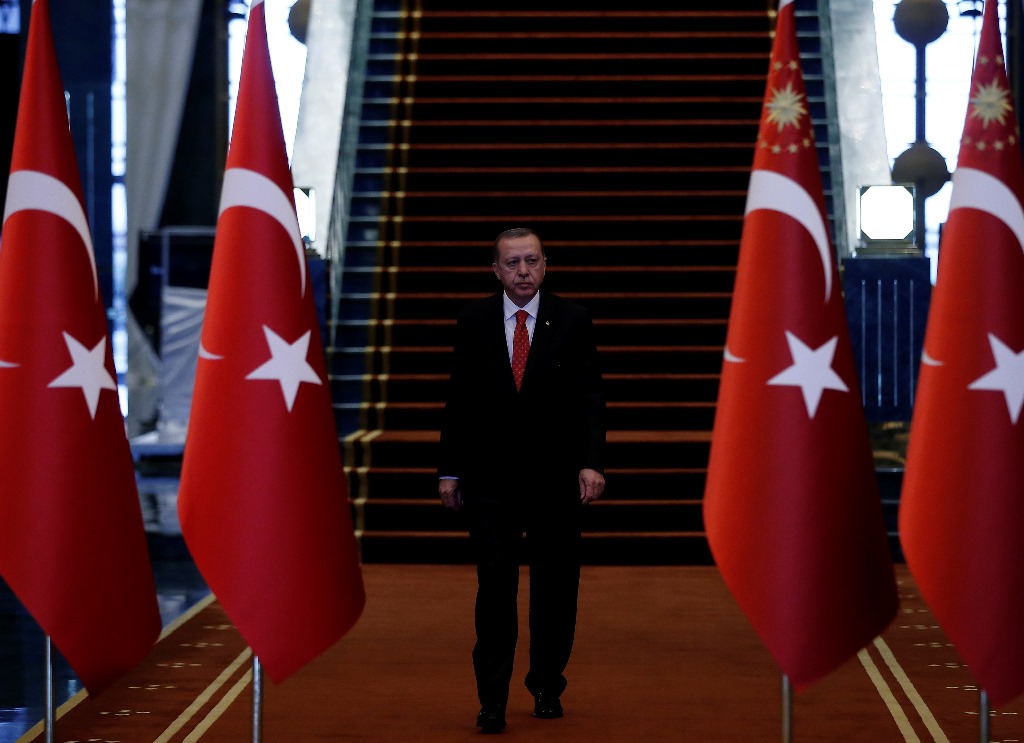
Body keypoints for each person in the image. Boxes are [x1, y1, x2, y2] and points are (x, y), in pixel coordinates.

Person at [438, 227, 607, 733]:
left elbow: (590, 398)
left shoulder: (573, 319)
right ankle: (491, 698)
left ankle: (546, 685)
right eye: (512, 263)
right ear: (496, 270)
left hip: (556, 481)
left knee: (555, 591)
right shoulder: (472, 320)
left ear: (545, 264)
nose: (523, 272)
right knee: (494, 590)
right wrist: (450, 469)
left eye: (531, 261)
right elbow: (458, 400)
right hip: (490, 482)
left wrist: (592, 461)